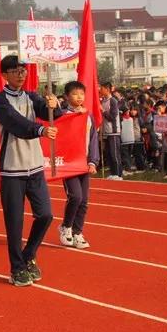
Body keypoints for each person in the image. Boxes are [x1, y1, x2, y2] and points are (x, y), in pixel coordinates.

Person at [0, 55, 62, 287]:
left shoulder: (32, 96)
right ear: (5, 75)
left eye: (23, 70)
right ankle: (17, 268)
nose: (20, 74)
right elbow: (15, 123)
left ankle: (29, 255)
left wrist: (54, 104)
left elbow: (52, 113)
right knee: (14, 222)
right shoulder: (0, 100)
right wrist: (40, 130)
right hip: (12, 168)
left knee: (45, 215)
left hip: (35, 167)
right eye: (15, 71)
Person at [57, 81, 99, 250]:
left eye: (82, 94)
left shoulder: (87, 116)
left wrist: (93, 161)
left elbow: (94, 139)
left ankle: (77, 232)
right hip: (69, 163)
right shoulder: (62, 115)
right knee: (75, 196)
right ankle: (66, 227)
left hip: (84, 162)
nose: (79, 97)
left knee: (84, 200)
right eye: (75, 94)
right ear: (67, 97)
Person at [99, 82, 123, 180]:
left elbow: (113, 117)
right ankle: (113, 173)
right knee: (109, 154)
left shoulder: (113, 101)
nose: (100, 90)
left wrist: (103, 111)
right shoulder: (103, 101)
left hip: (113, 131)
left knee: (114, 154)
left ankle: (118, 174)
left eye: (102, 88)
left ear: (107, 89)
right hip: (106, 131)